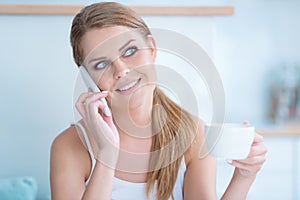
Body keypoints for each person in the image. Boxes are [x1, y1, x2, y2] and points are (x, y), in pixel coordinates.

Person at [50, 2, 267, 200]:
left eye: (130, 51)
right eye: (101, 64)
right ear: (88, 77)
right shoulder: (70, 147)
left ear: (151, 49)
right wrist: (107, 153)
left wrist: (244, 177)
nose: (122, 70)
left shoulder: (194, 135)